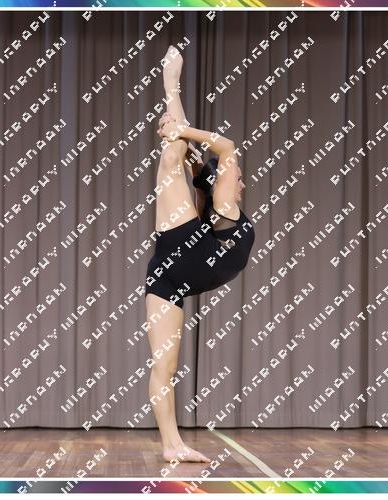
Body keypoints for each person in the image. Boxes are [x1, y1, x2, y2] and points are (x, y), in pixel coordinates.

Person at [143, 45, 255, 462]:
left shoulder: (223, 205)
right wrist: (180, 134)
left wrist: (180, 133)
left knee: (175, 152)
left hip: (184, 260)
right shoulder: (220, 194)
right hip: (176, 259)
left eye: (237, 179)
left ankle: (171, 85)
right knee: (163, 365)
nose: (239, 181)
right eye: (236, 178)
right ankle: (171, 445)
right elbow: (222, 149)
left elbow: (212, 159)